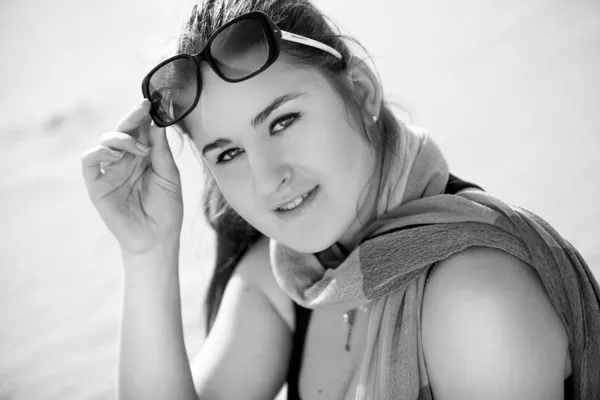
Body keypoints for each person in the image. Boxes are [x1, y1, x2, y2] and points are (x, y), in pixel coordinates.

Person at [81, 1, 600, 399]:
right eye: (228, 153)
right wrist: (146, 252)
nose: (268, 178)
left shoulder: (475, 296)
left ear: (362, 91)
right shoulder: (289, 277)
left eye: (283, 121)